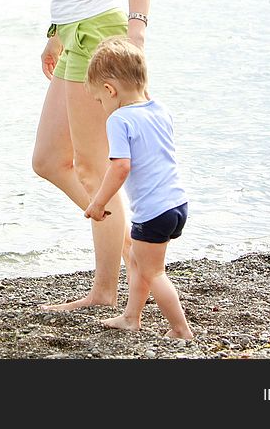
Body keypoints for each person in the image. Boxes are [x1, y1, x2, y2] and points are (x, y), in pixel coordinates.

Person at [28, 0, 150, 310]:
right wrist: (54, 31)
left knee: (93, 170)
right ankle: (130, 254)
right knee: (49, 160)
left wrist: (136, 33)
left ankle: (105, 290)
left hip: (102, 35)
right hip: (72, 33)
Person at [84, 36, 193, 339]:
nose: (102, 106)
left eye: (99, 100)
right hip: (176, 205)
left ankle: (180, 329)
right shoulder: (160, 110)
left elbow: (120, 167)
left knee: (153, 272)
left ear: (109, 90)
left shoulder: (119, 120)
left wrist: (98, 202)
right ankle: (131, 317)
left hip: (153, 212)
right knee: (137, 260)